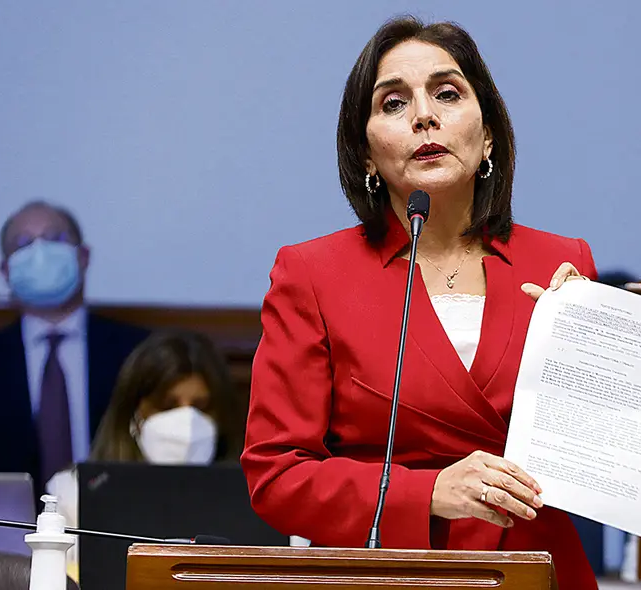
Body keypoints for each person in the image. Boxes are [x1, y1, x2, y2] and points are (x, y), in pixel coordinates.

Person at [241, 16, 600, 589]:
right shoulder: (311, 274)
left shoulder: (562, 264)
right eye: (393, 103)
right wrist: (428, 492)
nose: (424, 115)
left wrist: (594, 349)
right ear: (364, 153)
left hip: (534, 569)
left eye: (448, 93)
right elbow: (275, 475)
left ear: (487, 135)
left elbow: (605, 466)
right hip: (392, 571)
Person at [0, 201, 149, 499]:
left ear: (83, 256)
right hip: (3, 536)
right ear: (5, 270)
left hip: (116, 525)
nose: (40, 252)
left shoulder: (138, 354)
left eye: (56, 238)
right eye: (22, 244)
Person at [46, 330, 246, 582]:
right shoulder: (71, 493)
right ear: (133, 415)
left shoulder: (257, 497)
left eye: (201, 406)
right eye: (167, 405)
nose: (187, 421)